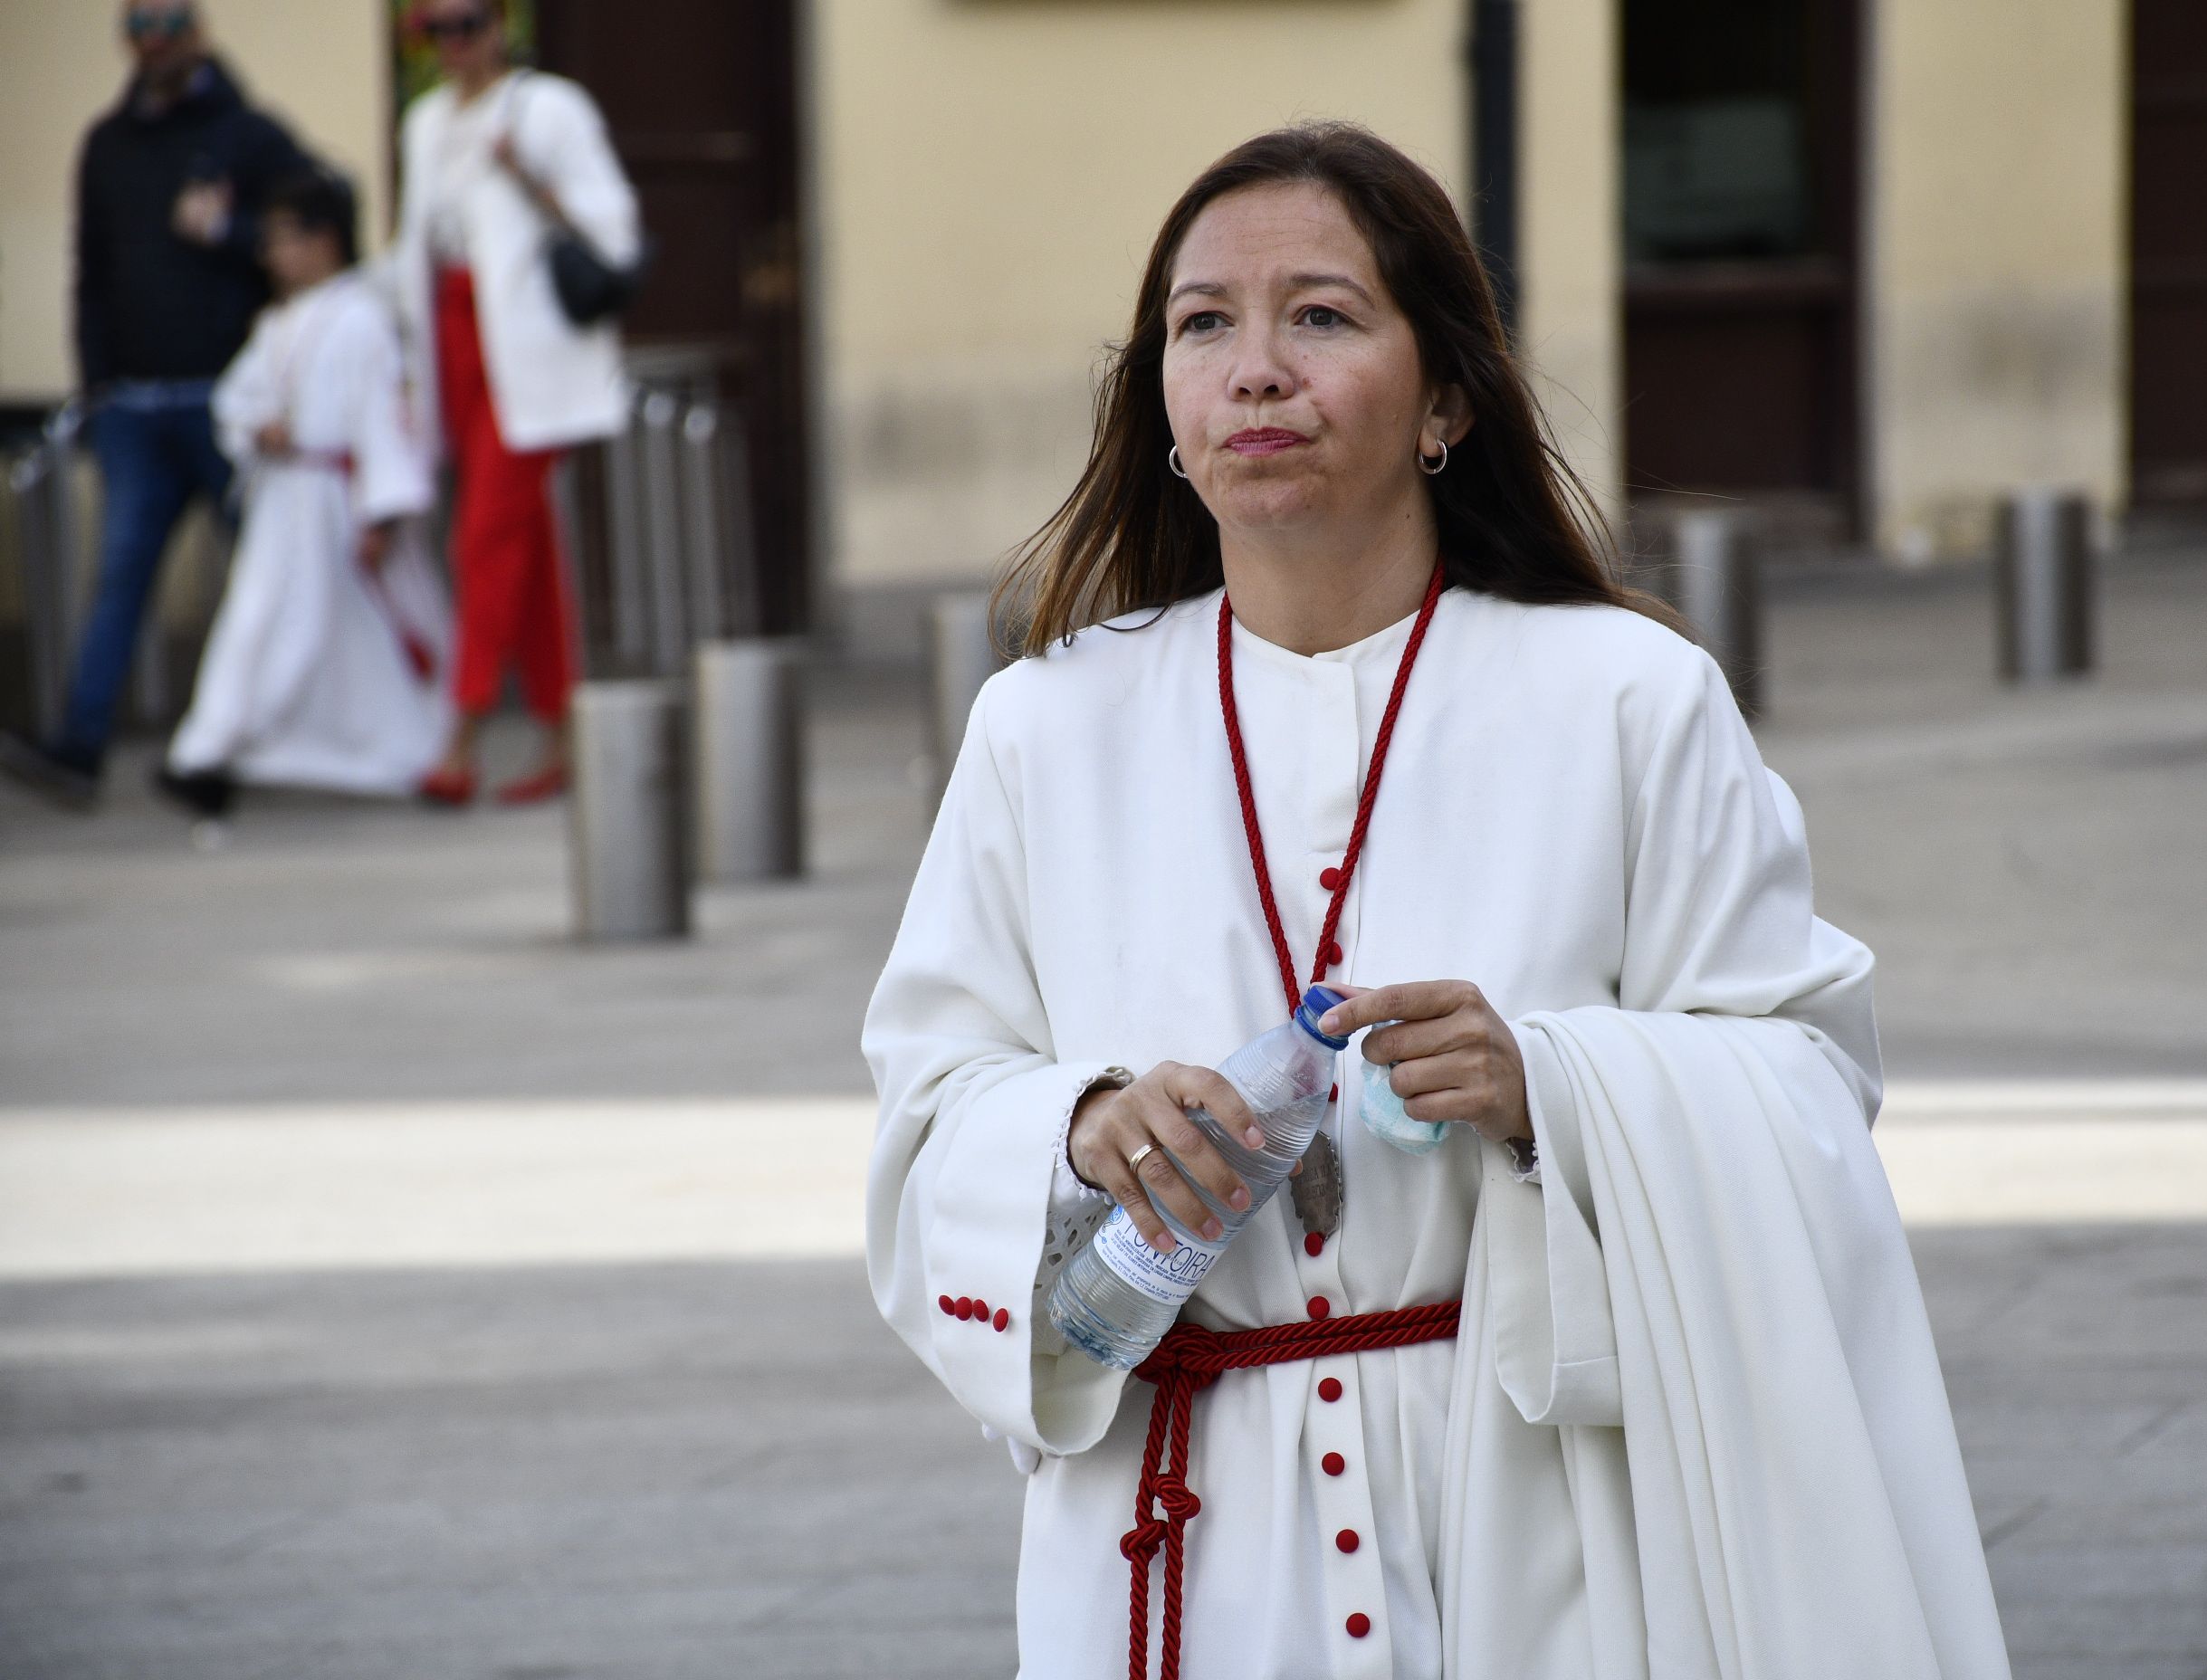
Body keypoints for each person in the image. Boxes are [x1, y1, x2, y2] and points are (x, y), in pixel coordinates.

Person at [863, 124, 2013, 1679]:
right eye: (1201, 325)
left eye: (1320, 316)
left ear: (1445, 401)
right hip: (1186, 1542)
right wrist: (1078, 1125)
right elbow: (928, 1111)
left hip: (1543, 1518)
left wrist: (1554, 1086)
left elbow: (1809, 1078)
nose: (1252, 370)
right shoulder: (1042, 728)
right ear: (1162, 406)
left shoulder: (1624, 698)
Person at [0, 0, 305, 809]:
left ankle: (268, 742)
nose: (154, 40)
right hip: (134, 404)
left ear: (200, 33)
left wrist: (230, 231)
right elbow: (90, 276)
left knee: (269, 573)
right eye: (139, 26)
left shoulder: (252, 136)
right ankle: (78, 751)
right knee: (122, 576)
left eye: (170, 23)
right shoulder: (108, 146)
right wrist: (98, 389)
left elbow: (313, 238)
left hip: (225, 401)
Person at [391, 0, 640, 807]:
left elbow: (618, 233)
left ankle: (458, 738)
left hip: (530, 357)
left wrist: (528, 179)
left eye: (468, 24)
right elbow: (414, 248)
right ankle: (560, 732)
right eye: (438, 30)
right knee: (525, 548)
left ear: (502, 25)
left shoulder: (550, 107)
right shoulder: (425, 121)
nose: (455, 43)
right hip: (454, 342)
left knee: (485, 538)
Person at [155, 167, 452, 818]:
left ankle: (407, 749)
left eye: (285, 239)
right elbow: (237, 398)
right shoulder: (279, 324)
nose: (273, 255)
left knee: (344, 632)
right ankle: (212, 751)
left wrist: (383, 511)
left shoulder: (361, 320)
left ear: (325, 241)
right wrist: (258, 428)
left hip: (335, 498)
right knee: (261, 621)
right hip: (285, 498)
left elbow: (380, 419)